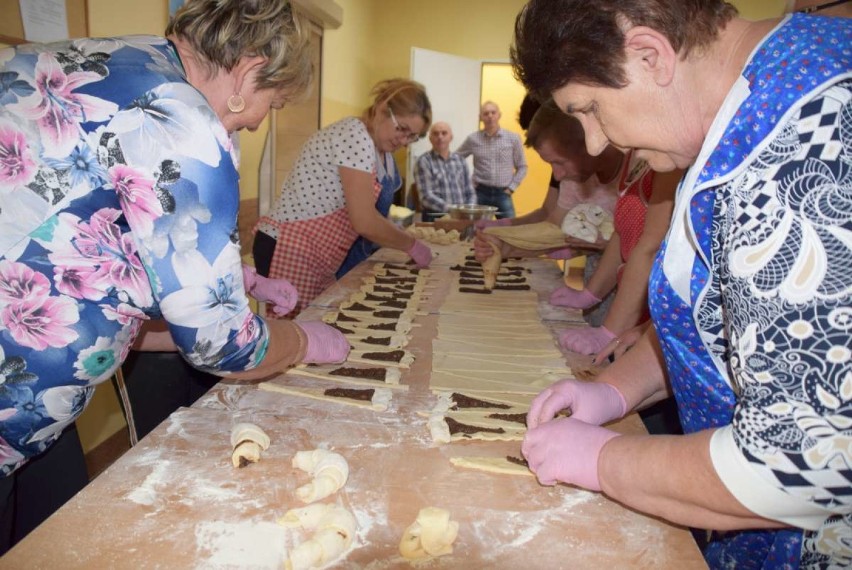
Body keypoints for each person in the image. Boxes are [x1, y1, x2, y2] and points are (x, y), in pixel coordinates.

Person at [0, 0, 350, 553]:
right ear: (250, 69)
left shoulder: (125, 56)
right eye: (271, 101)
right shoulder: (176, 114)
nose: (260, 120)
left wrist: (236, 277)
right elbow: (222, 346)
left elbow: (85, 226)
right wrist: (305, 341)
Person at [512, 1, 851, 567]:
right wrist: (616, 389)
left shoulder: (805, 151)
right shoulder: (759, 98)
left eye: (591, 109)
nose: (595, 144)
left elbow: (799, 467)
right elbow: (718, 316)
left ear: (651, 55)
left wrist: (606, 462)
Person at [253, 79, 433, 316]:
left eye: (413, 137)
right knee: (293, 336)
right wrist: (411, 245)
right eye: (401, 129)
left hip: (318, 252)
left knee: (315, 327)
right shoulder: (354, 136)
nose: (403, 141)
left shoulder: (383, 153)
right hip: (291, 243)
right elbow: (364, 220)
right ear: (382, 108)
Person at [456, 101, 528, 219]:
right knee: (475, 229)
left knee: (509, 231)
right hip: (480, 193)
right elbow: (455, 159)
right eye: (486, 113)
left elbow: (522, 166)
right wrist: (466, 183)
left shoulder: (513, 138)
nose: (490, 116)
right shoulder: (473, 139)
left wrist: (511, 188)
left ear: (499, 115)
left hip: (503, 194)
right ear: (480, 118)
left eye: (493, 112)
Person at [415, 121, 476, 222]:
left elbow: (470, 192)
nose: (440, 137)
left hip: (463, 217)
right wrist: (454, 211)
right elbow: (426, 197)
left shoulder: (460, 160)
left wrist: (469, 211)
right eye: (435, 133)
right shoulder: (424, 161)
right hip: (436, 217)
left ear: (451, 137)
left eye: (444, 133)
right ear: (430, 138)